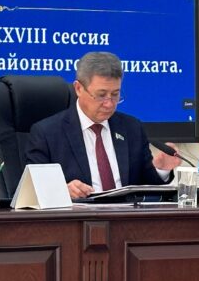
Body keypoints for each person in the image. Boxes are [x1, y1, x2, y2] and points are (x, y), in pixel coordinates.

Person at [25, 51, 182, 198]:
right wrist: (63, 190)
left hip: (125, 216)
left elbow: (147, 190)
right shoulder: (47, 133)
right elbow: (35, 191)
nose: (109, 104)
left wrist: (161, 168)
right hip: (78, 216)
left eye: (115, 95)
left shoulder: (132, 128)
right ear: (78, 88)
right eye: (101, 95)